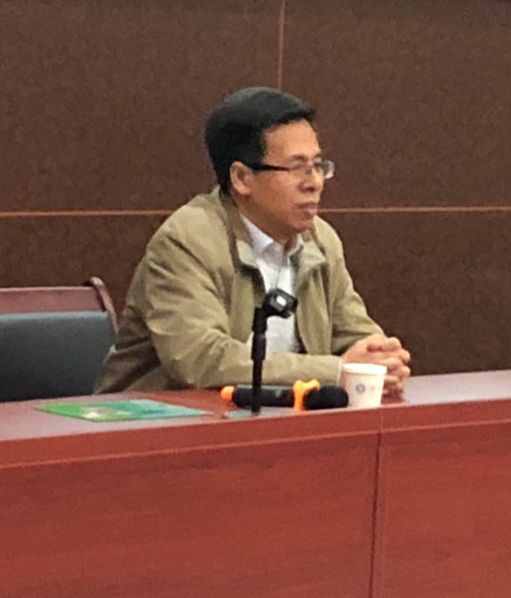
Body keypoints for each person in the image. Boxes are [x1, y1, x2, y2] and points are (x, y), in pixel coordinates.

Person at [97, 86, 411, 395]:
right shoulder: (186, 241)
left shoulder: (320, 239)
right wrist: (336, 371)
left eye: (318, 166)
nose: (315, 182)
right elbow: (202, 361)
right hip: (157, 420)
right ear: (242, 178)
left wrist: (381, 359)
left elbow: (355, 333)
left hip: (274, 416)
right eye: (297, 168)